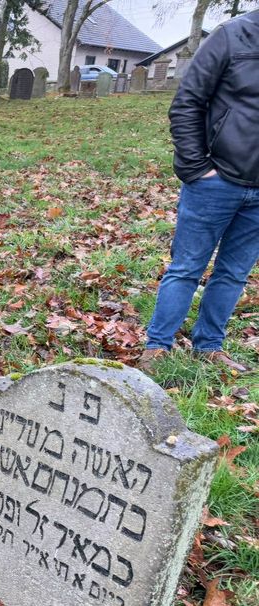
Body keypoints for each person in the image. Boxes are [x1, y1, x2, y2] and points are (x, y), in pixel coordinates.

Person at [140, 10, 259, 374]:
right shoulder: (233, 35)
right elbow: (188, 102)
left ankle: (208, 345)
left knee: (234, 273)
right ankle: (157, 347)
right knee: (187, 267)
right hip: (216, 180)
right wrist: (197, 169)